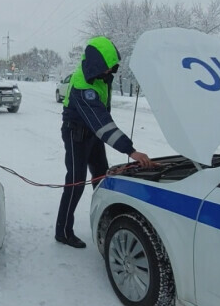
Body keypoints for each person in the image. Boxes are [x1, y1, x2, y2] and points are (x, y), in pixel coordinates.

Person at [55, 36, 154, 249]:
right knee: (76, 181)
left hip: (93, 134)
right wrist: (131, 151)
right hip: (76, 136)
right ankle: (63, 231)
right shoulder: (84, 86)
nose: (110, 71)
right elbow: (103, 123)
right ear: (96, 65)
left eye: (112, 67)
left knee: (101, 176)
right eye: (107, 67)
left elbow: (101, 121)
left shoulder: (100, 77)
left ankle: (104, 218)